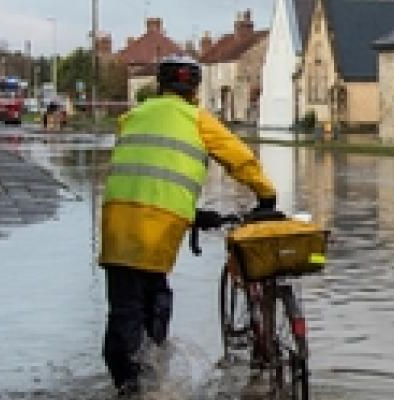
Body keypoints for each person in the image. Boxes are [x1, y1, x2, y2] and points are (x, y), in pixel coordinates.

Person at [99, 54, 276, 395]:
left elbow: (145, 172)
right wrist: (266, 196)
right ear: (195, 89)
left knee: (124, 305)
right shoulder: (198, 119)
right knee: (153, 296)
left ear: (159, 86)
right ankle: (147, 374)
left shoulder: (131, 117)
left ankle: (128, 381)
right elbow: (238, 158)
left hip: (116, 220)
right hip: (161, 225)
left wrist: (191, 214)